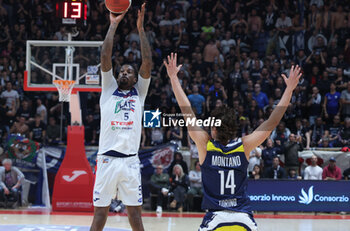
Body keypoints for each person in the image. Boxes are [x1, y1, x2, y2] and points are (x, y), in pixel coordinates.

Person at [163, 53, 301, 230]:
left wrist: (174, 78)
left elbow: (186, 110)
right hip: (243, 218)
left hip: (215, 218)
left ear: (214, 128)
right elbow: (272, 121)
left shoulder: (205, 144)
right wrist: (289, 89)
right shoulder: (244, 146)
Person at [90, 4, 152, 231]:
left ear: (136, 78)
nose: (123, 73)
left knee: (135, 216)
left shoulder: (140, 92)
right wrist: (113, 25)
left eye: (128, 71)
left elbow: (147, 63)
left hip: (130, 161)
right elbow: (105, 55)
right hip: (106, 159)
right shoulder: (109, 89)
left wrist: (141, 29)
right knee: (99, 215)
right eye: (121, 71)